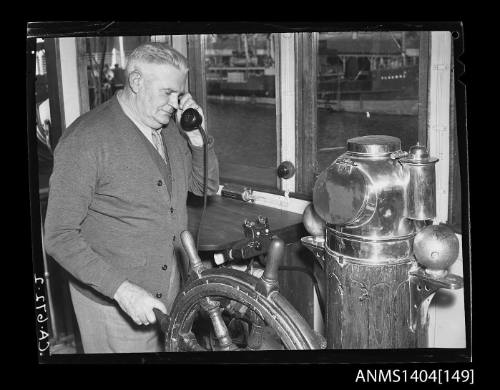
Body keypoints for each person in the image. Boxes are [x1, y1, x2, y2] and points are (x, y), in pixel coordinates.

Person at [44, 43, 220, 353]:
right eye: (167, 92)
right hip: (115, 302)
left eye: (179, 95)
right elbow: (59, 236)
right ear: (136, 82)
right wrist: (123, 291)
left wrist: (196, 140)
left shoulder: (169, 129)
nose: (174, 104)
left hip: (170, 289)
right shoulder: (85, 139)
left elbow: (204, 188)